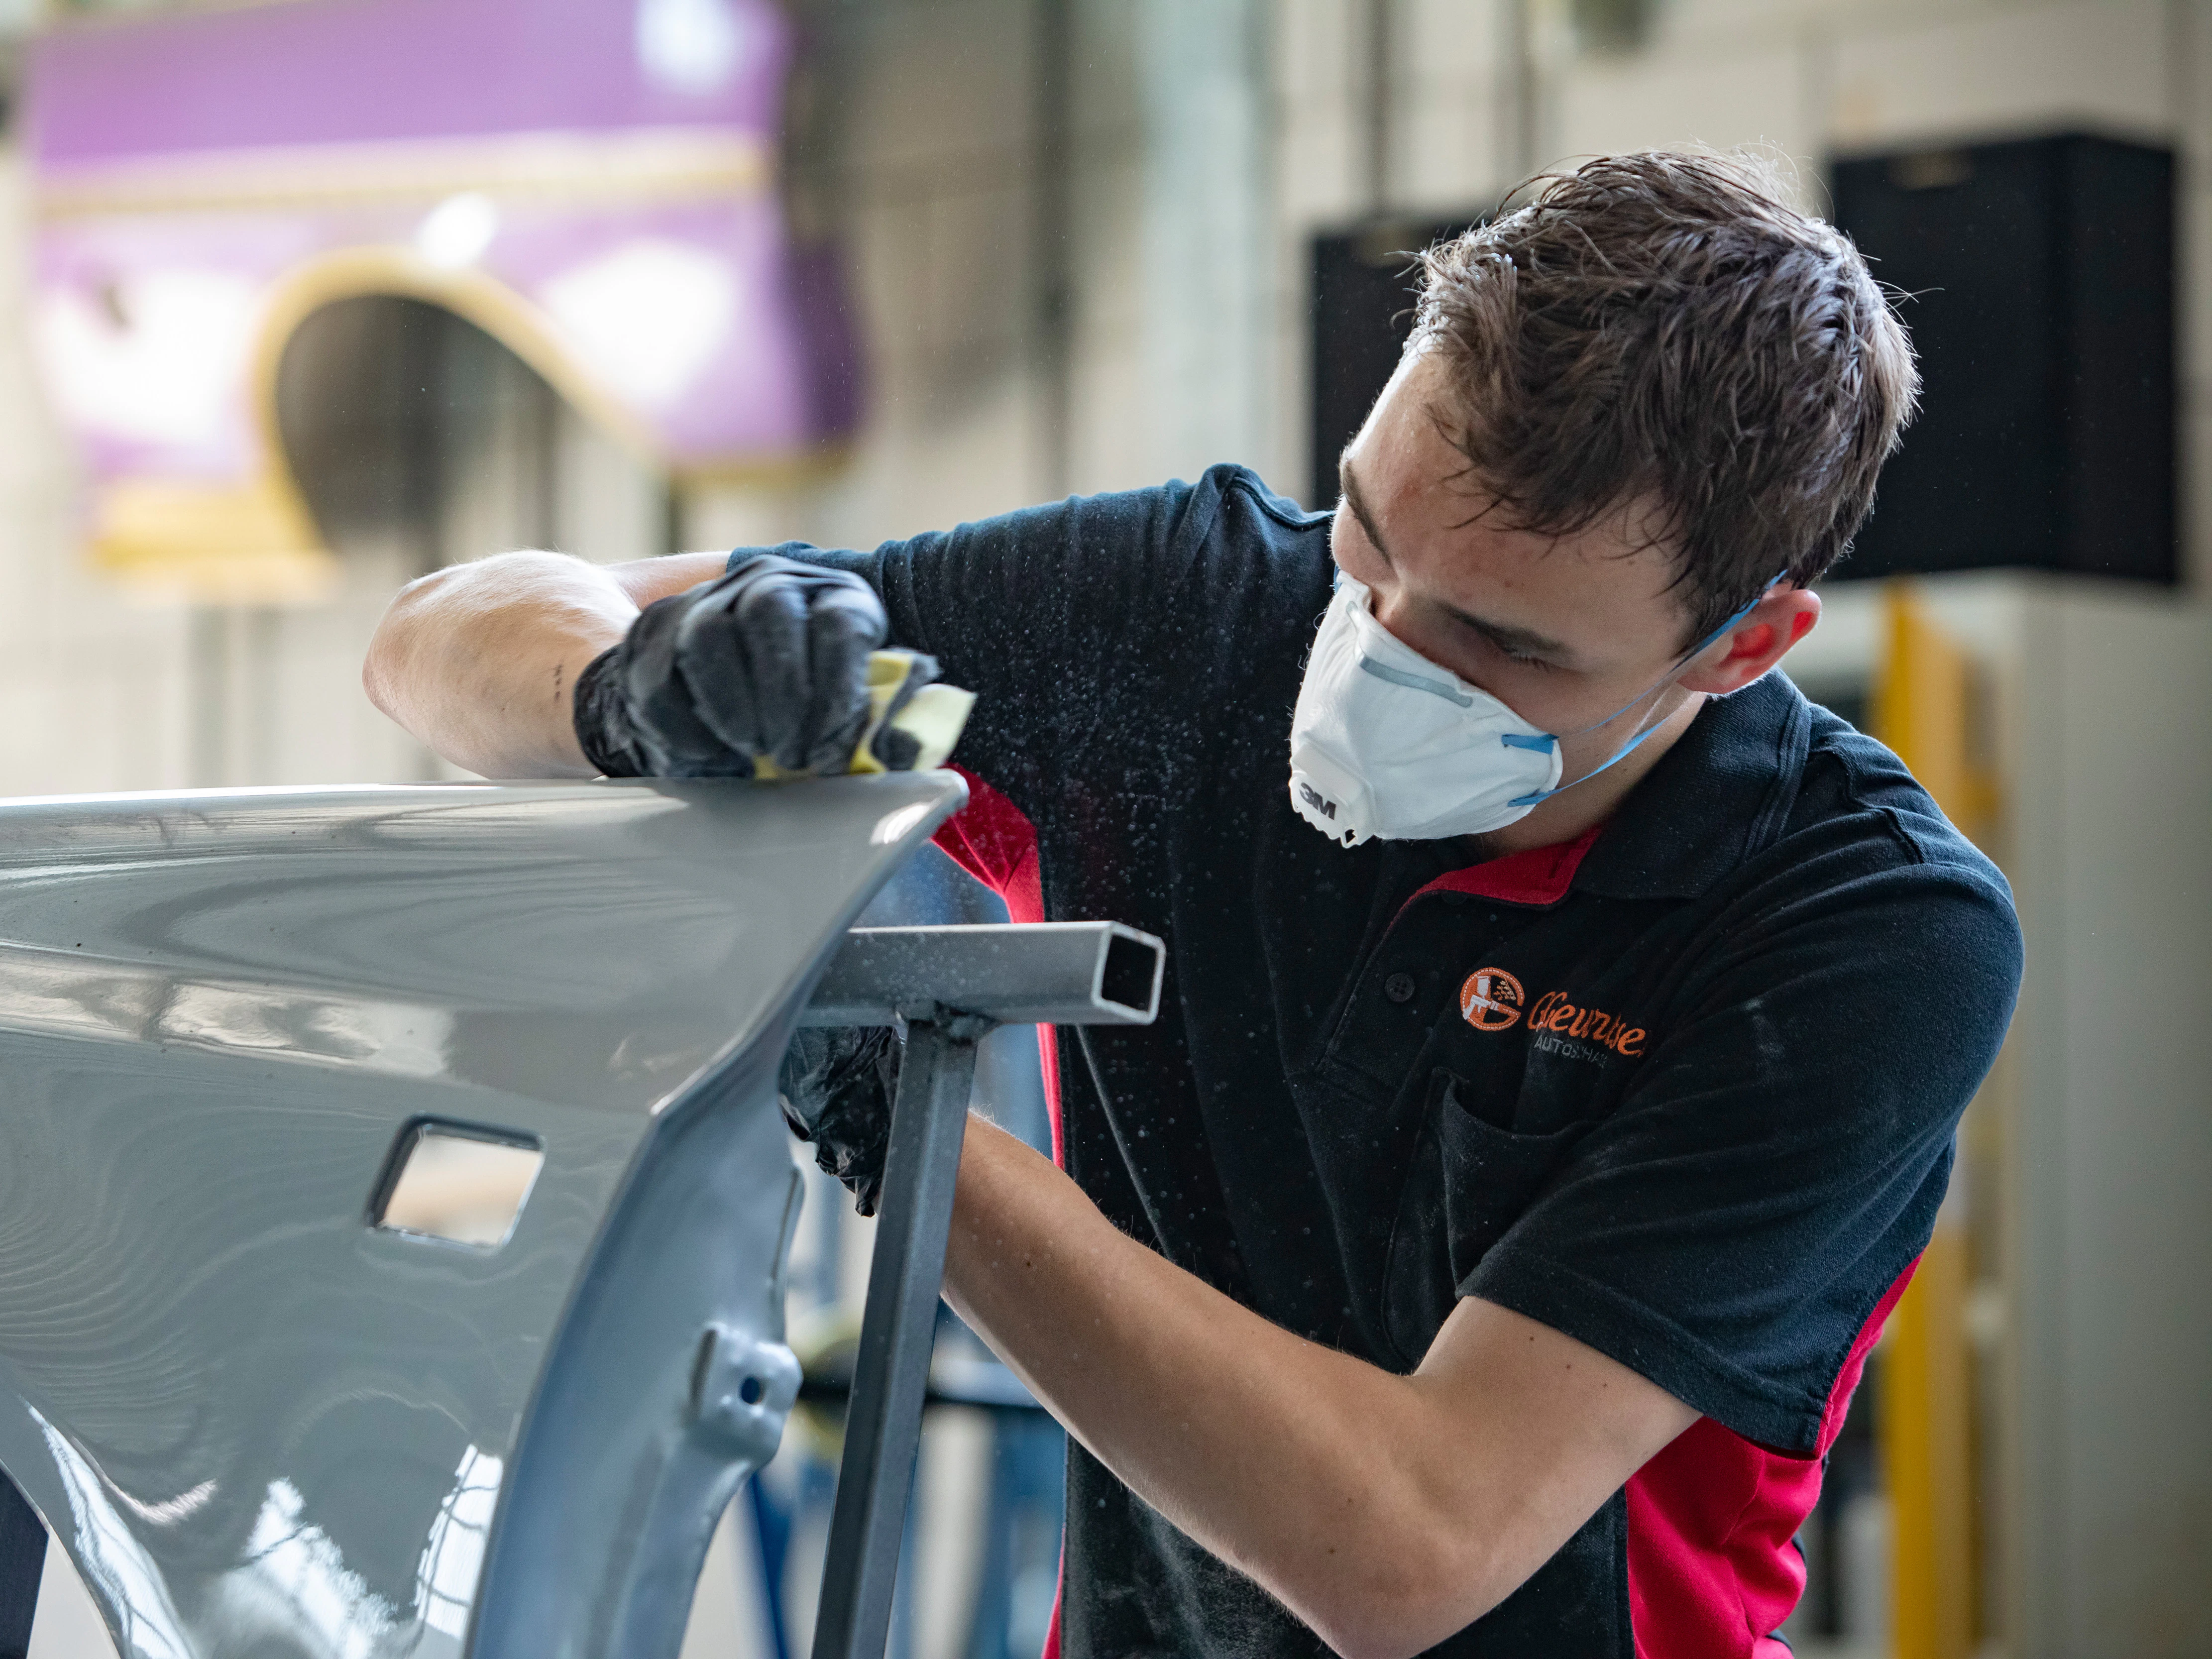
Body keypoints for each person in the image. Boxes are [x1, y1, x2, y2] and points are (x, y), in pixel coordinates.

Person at [364, 152, 2021, 1659]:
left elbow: (1412, 1543)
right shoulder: (1180, 619)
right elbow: (437, 636)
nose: (1376, 648)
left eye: (1505, 647)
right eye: (1366, 537)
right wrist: (633, 684)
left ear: (1743, 646)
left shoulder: (1854, 932)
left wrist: (891, 1097)